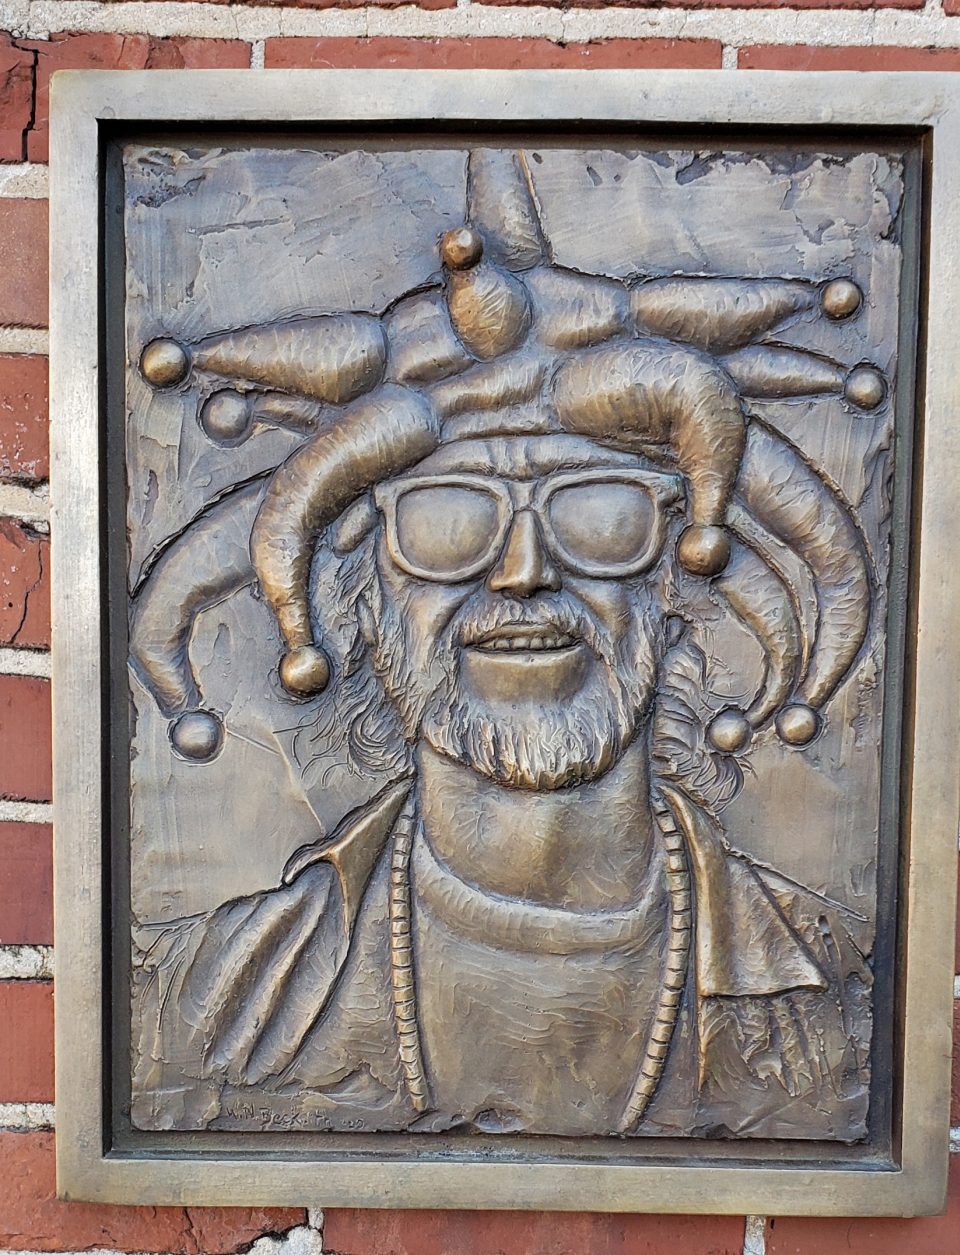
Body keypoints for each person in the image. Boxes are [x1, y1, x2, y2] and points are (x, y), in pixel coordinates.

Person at [130, 149, 877, 1141]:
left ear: (670, 577)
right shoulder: (203, 1001)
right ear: (362, 589)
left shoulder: (836, 996)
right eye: (445, 520)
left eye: (599, 513)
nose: (522, 570)